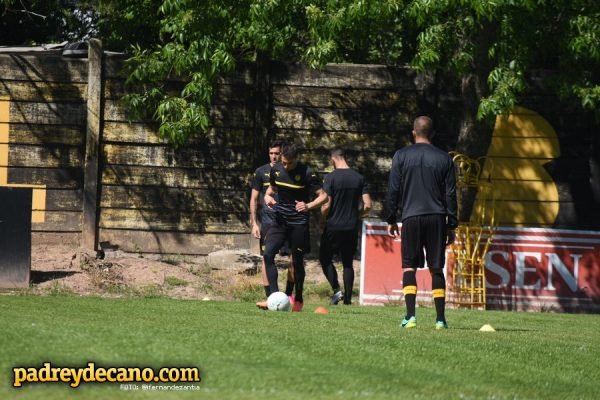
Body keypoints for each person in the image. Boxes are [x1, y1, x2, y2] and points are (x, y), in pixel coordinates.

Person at [385, 116, 457, 330]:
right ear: (433, 133)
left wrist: (391, 218)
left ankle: (410, 317)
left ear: (413, 132)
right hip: (437, 217)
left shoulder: (401, 155)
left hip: (411, 217)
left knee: (409, 267)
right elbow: (451, 194)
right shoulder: (445, 158)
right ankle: (440, 320)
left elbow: (393, 189)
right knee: (436, 268)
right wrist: (451, 223)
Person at [260, 143, 328, 312]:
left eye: (289, 163)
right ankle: (274, 297)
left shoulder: (307, 173)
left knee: (296, 262)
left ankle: (298, 298)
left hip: (298, 223)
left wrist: (309, 205)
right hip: (279, 221)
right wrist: (268, 198)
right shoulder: (276, 170)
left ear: (296, 159)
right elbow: (270, 191)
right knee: (268, 254)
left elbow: (324, 196)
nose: (285, 166)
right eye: (283, 162)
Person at [319, 149, 372, 305]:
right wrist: (357, 215)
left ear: (332, 159)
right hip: (351, 226)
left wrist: (322, 218)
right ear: (345, 158)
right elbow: (368, 205)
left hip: (333, 225)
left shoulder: (330, 178)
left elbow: (326, 205)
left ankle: (337, 290)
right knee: (348, 262)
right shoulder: (359, 178)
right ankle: (348, 299)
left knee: (325, 258)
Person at [249, 140, 295, 307]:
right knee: (266, 257)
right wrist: (254, 223)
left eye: (277, 153)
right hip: (268, 222)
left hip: (289, 220)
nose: (274, 156)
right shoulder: (261, 172)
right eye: (271, 153)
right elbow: (254, 199)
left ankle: (289, 296)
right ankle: (270, 298)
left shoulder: (289, 170)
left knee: (293, 259)